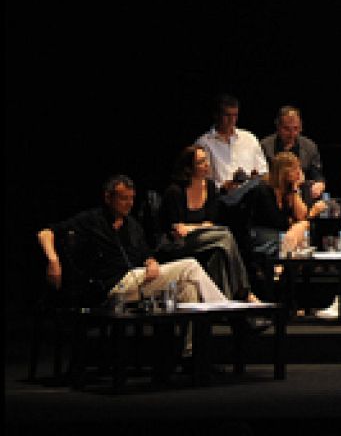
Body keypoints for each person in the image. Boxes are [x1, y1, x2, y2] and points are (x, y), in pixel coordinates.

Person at [38, 176, 229, 309]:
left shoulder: (133, 225)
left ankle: (190, 356)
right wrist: (53, 261)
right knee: (190, 265)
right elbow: (46, 232)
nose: (129, 204)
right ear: (108, 197)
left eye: (131, 199)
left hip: (138, 281)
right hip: (111, 286)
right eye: (123, 198)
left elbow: (145, 254)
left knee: (189, 289)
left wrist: (151, 263)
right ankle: (225, 309)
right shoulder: (92, 219)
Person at [160, 146, 255, 301]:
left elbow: (210, 222)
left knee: (218, 254)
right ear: (189, 168)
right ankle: (245, 293)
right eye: (200, 162)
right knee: (225, 235)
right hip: (179, 244)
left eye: (206, 160)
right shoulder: (175, 191)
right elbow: (175, 229)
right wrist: (198, 227)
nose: (206, 165)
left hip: (206, 240)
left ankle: (224, 304)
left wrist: (191, 227)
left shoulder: (210, 187)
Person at [245, 152, 327, 307]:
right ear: (283, 172)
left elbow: (301, 215)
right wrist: (307, 217)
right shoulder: (263, 190)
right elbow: (278, 221)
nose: (299, 173)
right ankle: (291, 300)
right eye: (295, 170)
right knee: (301, 233)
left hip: (283, 237)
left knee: (300, 233)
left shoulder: (291, 189)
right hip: (262, 236)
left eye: (299, 169)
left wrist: (295, 191)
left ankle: (285, 287)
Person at [195, 93, 268, 202]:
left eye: (235, 115)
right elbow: (203, 181)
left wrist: (255, 175)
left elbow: (264, 172)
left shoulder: (249, 138)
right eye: (227, 115)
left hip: (251, 197)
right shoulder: (204, 143)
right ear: (216, 115)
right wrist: (226, 186)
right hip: (222, 199)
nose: (232, 120)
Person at [260, 105, 325, 203]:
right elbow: (262, 177)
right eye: (287, 129)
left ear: (301, 127)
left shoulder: (310, 147)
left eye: (296, 129)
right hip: (273, 198)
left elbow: (317, 175)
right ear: (278, 126)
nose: (292, 134)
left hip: (302, 197)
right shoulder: (266, 146)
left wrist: (320, 184)